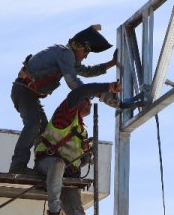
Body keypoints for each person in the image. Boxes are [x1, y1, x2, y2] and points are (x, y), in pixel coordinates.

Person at [34, 81, 121, 215]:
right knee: (57, 164)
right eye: (87, 100)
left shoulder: (81, 129)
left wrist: (86, 157)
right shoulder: (65, 115)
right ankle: (54, 212)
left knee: (78, 214)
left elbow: (74, 158)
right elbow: (80, 91)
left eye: (90, 100)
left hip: (67, 176)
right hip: (46, 165)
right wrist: (105, 89)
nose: (90, 103)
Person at [9, 24, 116, 175]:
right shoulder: (65, 53)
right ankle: (17, 166)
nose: (86, 56)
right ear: (77, 46)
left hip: (30, 94)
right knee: (33, 125)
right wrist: (103, 94)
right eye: (86, 51)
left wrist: (113, 63)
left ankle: (41, 167)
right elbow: (73, 83)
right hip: (24, 91)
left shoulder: (68, 59)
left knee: (44, 133)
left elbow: (87, 71)